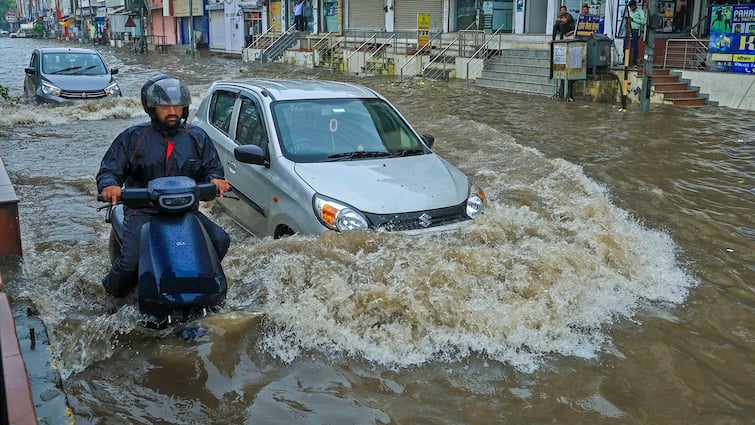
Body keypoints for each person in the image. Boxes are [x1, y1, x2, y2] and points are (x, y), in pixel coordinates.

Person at [96, 75, 231, 298]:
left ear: (185, 108)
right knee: (130, 262)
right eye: (164, 106)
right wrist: (110, 185)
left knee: (220, 239)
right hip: (143, 211)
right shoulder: (133, 138)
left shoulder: (197, 137)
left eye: (177, 106)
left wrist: (216, 179)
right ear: (151, 108)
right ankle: (109, 295)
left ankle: (204, 285)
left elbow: (212, 168)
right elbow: (110, 170)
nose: (172, 111)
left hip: (185, 210)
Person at [625, 0, 646, 67]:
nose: (631, 8)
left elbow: (643, 21)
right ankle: (625, 61)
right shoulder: (628, 11)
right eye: (630, 7)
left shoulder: (640, 12)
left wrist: (633, 19)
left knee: (634, 46)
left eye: (632, 6)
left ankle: (634, 62)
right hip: (628, 29)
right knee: (626, 46)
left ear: (635, 6)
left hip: (635, 30)